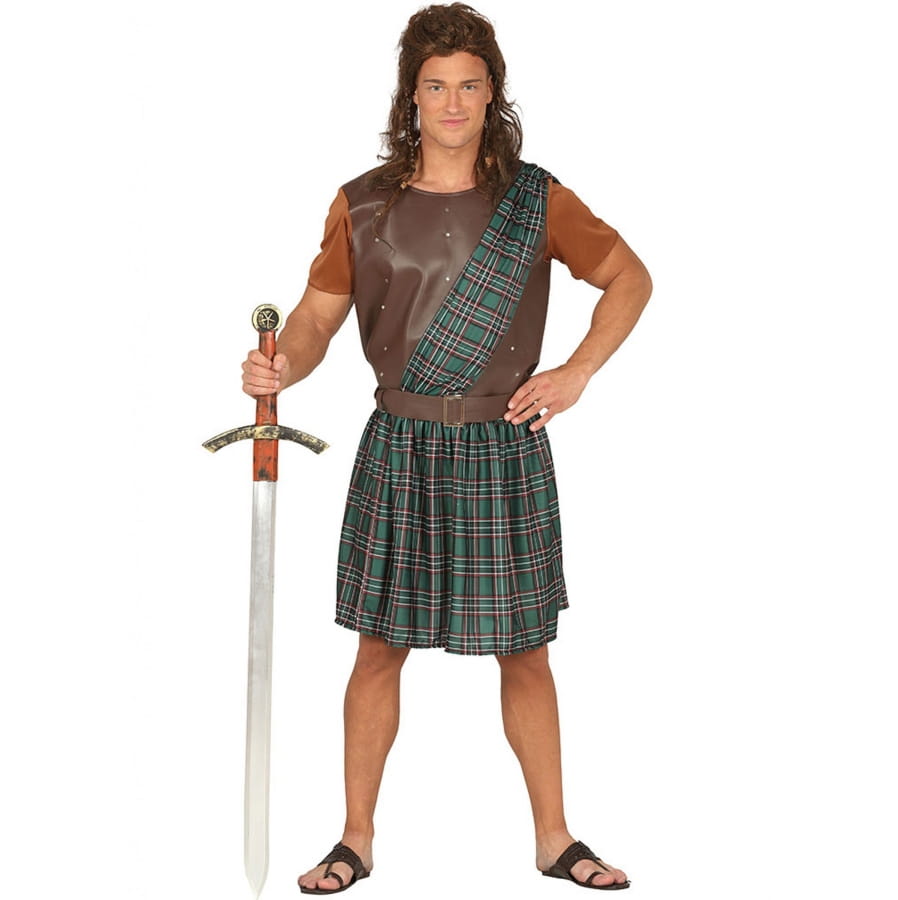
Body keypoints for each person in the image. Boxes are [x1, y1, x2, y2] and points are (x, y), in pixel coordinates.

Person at [241, 3, 651, 893]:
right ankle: (355, 839)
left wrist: (578, 371)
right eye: (437, 87)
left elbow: (629, 275)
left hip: (504, 444)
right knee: (378, 649)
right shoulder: (362, 204)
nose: (454, 102)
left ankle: (554, 839)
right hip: (401, 442)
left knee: (527, 650)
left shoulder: (537, 200)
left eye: (469, 85)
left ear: (491, 91)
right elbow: (313, 320)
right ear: (413, 97)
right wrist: (282, 369)